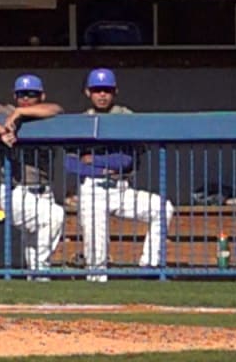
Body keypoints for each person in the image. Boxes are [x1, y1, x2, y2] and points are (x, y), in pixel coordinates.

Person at [69, 68, 174, 282]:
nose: (102, 95)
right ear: (88, 92)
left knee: (162, 207)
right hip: (92, 189)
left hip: (120, 188)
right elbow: (71, 164)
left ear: (114, 91)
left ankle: (150, 266)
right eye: (97, 90)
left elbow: (127, 160)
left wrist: (93, 160)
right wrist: (103, 167)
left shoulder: (125, 116)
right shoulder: (80, 120)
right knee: (96, 257)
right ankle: (97, 293)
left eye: (106, 90)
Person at [0, 74, 64, 277]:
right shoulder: (6, 111)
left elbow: (57, 109)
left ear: (41, 95)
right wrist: (1, 131)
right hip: (15, 191)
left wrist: (21, 112)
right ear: (14, 95)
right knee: (55, 216)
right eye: (21, 95)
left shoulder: (43, 112)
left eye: (31, 94)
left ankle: (36, 279)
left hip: (43, 190)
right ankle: (41, 269)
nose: (26, 98)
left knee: (32, 243)